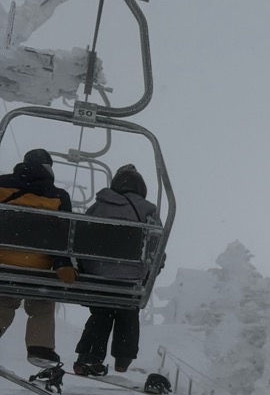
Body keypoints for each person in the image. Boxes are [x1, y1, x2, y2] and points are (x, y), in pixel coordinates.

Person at [73, 164, 161, 377]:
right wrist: (154, 270)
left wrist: (84, 266)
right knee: (128, 312)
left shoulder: (99, 205)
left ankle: (89, 356)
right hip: (131, 276)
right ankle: (123, 359)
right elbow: (157, 244)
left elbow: (81, 234)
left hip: (98, 273)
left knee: (101, 313)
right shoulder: (148, 210)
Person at [0, 147, 76, 365]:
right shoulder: (58, 196)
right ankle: (39, 348)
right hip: (38, 265)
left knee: (3, 301)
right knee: (42, 303)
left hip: (2, 261)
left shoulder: (2, 184)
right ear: (49, 169)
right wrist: (62, 263)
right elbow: (65, 234)